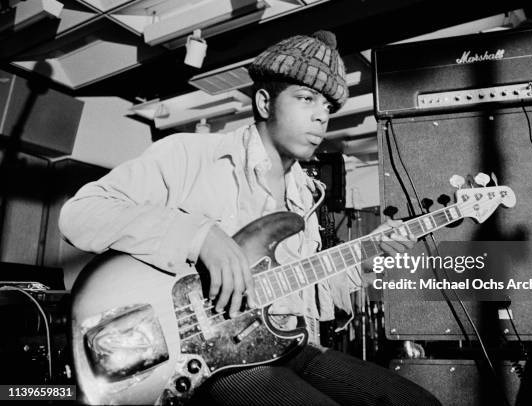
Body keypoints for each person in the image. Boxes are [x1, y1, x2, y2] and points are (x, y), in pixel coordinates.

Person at [59, 30, 441, 406]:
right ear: (263, 102)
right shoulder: (191, 155)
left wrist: (368, 259)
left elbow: (307, 293)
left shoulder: (305, 196)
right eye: (306, 98)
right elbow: (81, 215)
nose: (320, 117)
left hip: (286, 346)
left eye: (327, 107)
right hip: (212, 358)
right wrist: (199, 236)